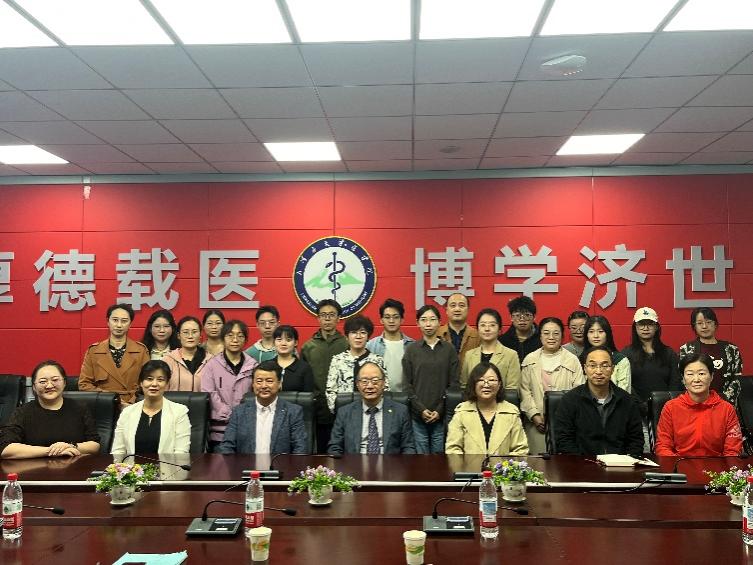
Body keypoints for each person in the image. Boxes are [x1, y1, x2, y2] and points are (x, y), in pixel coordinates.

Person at [554, 346, 644, 458]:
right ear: (585, 369)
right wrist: (583, 462)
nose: (598, 371)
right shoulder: (570, 400)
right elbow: (563, 440)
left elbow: (636, 440)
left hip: (620, 464)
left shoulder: (627, 400)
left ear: (612, 369)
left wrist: (626, 461)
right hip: (582, 464)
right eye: (592, 366)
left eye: (605, 366)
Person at [0, 360, 100, 459]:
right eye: (43, 382)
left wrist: (71, 446)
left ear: (64, 382)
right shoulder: (22, 412)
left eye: (55, 380)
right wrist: (50, 451)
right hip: (35, 468)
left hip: (75, 467)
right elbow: (5, 449)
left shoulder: (79, 408)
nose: (49, 386)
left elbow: (95, 445)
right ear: (34, 387)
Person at [655, 352, 743, 457]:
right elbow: (663, 447)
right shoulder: (671, 407)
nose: (696, 379)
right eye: (690, 374)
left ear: (711, 376)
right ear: (683, 379)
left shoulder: (727, 409)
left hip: (717, 465)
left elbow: (733, 450)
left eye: (701, 373)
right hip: (680, 464)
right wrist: (678, 465)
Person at [519, 317, 584, 455]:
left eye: (556, 333)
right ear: (540, 336)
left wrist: (566, 417)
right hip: (536, 425)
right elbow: (524, 391)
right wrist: (534, 415)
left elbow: (579, 391)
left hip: (567, 425)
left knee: (565, 463)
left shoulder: (572, 360)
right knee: (538, 463)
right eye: (546, 333)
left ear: (562, 336)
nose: (551, 337)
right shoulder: (530, 359)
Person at [621, 307, 682, 449]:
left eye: (650, 324)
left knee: (667, 448)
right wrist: (640, 405)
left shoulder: (669, 353)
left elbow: (675, 383)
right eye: (641, 324)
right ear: (635, 327)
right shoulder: (626, 354)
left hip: (666, 412)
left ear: (657, 327)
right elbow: (626, 384)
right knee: (645, 450)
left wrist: (666, 405)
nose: (645, 328)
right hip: (637, 413)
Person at [218, 360, 308, 454]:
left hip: (280, 463)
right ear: (253, 384)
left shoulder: (293, 412)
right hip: (246, 463)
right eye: (259, 381)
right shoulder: (239, 412)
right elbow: (226, 446)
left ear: (279, 384)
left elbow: (300, 448)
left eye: (269, 381)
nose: (264, 386)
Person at [403, 305, 459, 454]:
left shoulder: (449, 349)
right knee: (420, 458)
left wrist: (439, 410)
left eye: (432, 319)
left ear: (440, 322)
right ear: (417, 323)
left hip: (441, 415)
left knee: (439, 457)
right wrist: (421, 409)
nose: (428, 324)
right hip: (417, 415)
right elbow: (407, 385)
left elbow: (454, 383)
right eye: (424, 320)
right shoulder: (411, 350)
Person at [328, 362, 415, 455]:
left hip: (389, 462)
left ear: (383, 383)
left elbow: (408, 447)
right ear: (357, 384)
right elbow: (334, 447)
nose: (370, 386)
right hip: (355, 462)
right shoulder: (345, 412)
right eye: (364, 381)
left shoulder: (400, 411)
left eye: (375, 381)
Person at [445, 363, 528, 456]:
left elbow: (520, 450)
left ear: (499, 384)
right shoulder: (462, 412)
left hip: (502, 465)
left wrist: (506, 465)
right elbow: (453, 449)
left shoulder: (511, 412)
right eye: (481, 380)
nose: (486, 385)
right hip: (469, 465)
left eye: (491, 380)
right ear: (473, 384)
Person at [111, 360, 191, 455]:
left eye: (160, 380)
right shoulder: (127, 412)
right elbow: (118, 451)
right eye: (149, 379)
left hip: (167, 464)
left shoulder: (179, 412)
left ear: (167, 384)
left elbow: (181, 452)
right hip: (132, 464)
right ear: (141, 383)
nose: (154, 384)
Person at [201, 320, 258, 450]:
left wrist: (241, 414)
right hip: (219, 432)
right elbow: (209, 393)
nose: (235, 340)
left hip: (247, 429)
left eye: (240, 336)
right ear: (223, 338)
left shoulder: (253, 365)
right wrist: (228, 413)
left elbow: (257, 394)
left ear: (245, 340)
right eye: (230, 335)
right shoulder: (211, 365)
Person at [79, 303, 150, 407]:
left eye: (124, 321)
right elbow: (84, 384)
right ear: (108, 321)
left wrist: (131, 403)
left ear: (130, 324)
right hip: (103, 405)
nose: (119, 325)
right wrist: (111, 400)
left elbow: (148, 381)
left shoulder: (141, 350)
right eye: (115, 320)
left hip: (133, 405)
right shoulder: (94, 351)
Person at [301, 299, 348, 452]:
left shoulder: (347, 344)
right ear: (318, 318)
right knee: (320, 451)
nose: (327, 319)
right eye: (323, 315)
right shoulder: (308, 347)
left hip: (343, 406)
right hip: (318, 408)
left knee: (344, 450)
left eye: (331, 315)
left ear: (339, 318)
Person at [679, 306, 744, 407]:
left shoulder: (731, 349)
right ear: (694, 326)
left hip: (725, 404)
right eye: (700, 323)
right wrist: (699, 400)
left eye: (708, 322)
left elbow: (737, 379)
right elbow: (683, 378)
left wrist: (724, 402)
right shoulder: (687, 349)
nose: (704, 326)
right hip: (696, 404)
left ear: (715, 324)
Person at [325, 314, 388, 413]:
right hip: (344, 411)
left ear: (368, 337)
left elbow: (385, 388)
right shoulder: (337, 360)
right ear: (347, 336)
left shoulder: (377, 360)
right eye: (354, 332)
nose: (358, 336)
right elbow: (330, 391)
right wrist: (339, 411)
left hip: (373, 411)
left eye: (363, 332)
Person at [460, 308, 521, 391]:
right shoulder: (469, 355)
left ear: (499, 329)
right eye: (483, 325)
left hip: (501, 399)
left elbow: (512, 388)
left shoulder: (511, 355)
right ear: (477, 329)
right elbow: (464, 386)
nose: (487, 329)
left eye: (492, 325)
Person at [365, 298, 415, 392]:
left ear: (402, 320)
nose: (391, 321)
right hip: (380, 396)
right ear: (381, 320)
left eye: (395, 317)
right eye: (387, 317)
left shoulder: (412, 346)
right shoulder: (371, 346)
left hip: (406, 396)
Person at [582, 315, 631, 393]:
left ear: (607, 334)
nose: (596, 336)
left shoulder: (620, 360)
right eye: (591, 332)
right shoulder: (580, 359)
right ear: (586, 335)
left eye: (600, 331)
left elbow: (625, 393)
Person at [163, 316, 213, 392]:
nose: (190, 336)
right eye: (186, 332)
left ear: (200, 335)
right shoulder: (168, 360)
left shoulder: (211, 361)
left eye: (194, 332)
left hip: (203, 400)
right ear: (179, 336)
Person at [437, 293, 480, 367]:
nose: (457, 309)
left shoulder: (477, 336)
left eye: (461, 305)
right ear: (446, 310)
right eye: (453, 305)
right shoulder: (437, 334)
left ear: (468, 310)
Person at [271, 325, 314, 392]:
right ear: (274, 342)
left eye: (288, 340)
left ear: (295, 343)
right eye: (279, 340)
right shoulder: (267, 366)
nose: (283, 343)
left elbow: (308, 396)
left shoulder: (304, 368)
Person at [499, 296, 540, 363]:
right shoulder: (502, 341)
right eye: (518, 315)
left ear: (534, 317)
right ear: (511, 317)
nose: (522, 319)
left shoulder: (542, 339)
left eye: (527, 315)